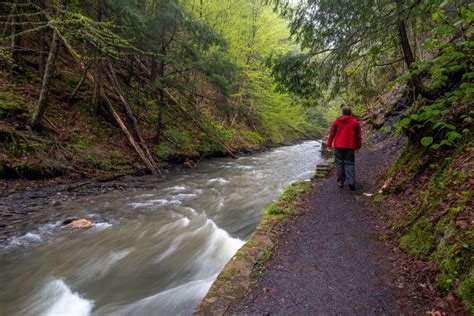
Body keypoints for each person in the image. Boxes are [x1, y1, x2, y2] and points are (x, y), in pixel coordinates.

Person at [326, 106, 362, 191]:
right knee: (350, 164)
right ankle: (351, 182)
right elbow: (358, 136)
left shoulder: (336, 122)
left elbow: (331, 134)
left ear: (342, 113)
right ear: (350, 113)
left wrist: (329, 145)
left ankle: (340, 182)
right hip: (350, 147)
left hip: (338, 146)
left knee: (339, 164)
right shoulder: (355, 122)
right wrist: (358, 146)